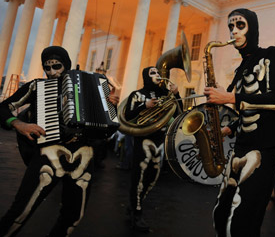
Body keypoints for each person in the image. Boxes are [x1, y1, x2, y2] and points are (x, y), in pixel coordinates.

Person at [0, 46, 119, 236]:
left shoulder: (91, 84)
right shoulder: (37, 86)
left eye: (57, 66)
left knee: (73, 217)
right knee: (20, 212)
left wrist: (111, 107)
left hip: (83, 156)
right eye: (47, 68)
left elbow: (106, 129)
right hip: (49, 154)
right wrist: (19, 124)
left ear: (67, 65)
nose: (52, 72)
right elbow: (3, 108)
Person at [204, 8, 275, 236]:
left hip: (265, 149)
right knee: (220, 216)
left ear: (253, 28)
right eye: (231, 26)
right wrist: (228, 129)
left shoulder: (271, 54)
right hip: (241, 146)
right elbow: (247, 111)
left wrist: (230, 97)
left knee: (243, 221)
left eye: (240, 25)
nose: (234, 31)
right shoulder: (241, 68)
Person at [122, 66, 182, 232]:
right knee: (139, 177)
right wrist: (144, 105)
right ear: (146, 77)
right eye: (153, 73)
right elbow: (127, 116)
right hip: (143, 139)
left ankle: (135, 204)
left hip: (160, 140)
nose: (157, 75)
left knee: (153, 177)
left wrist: (176, 95)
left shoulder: (165, 95)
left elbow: (178, 114)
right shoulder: (137, 95)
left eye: (158, 73)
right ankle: (137, 213)